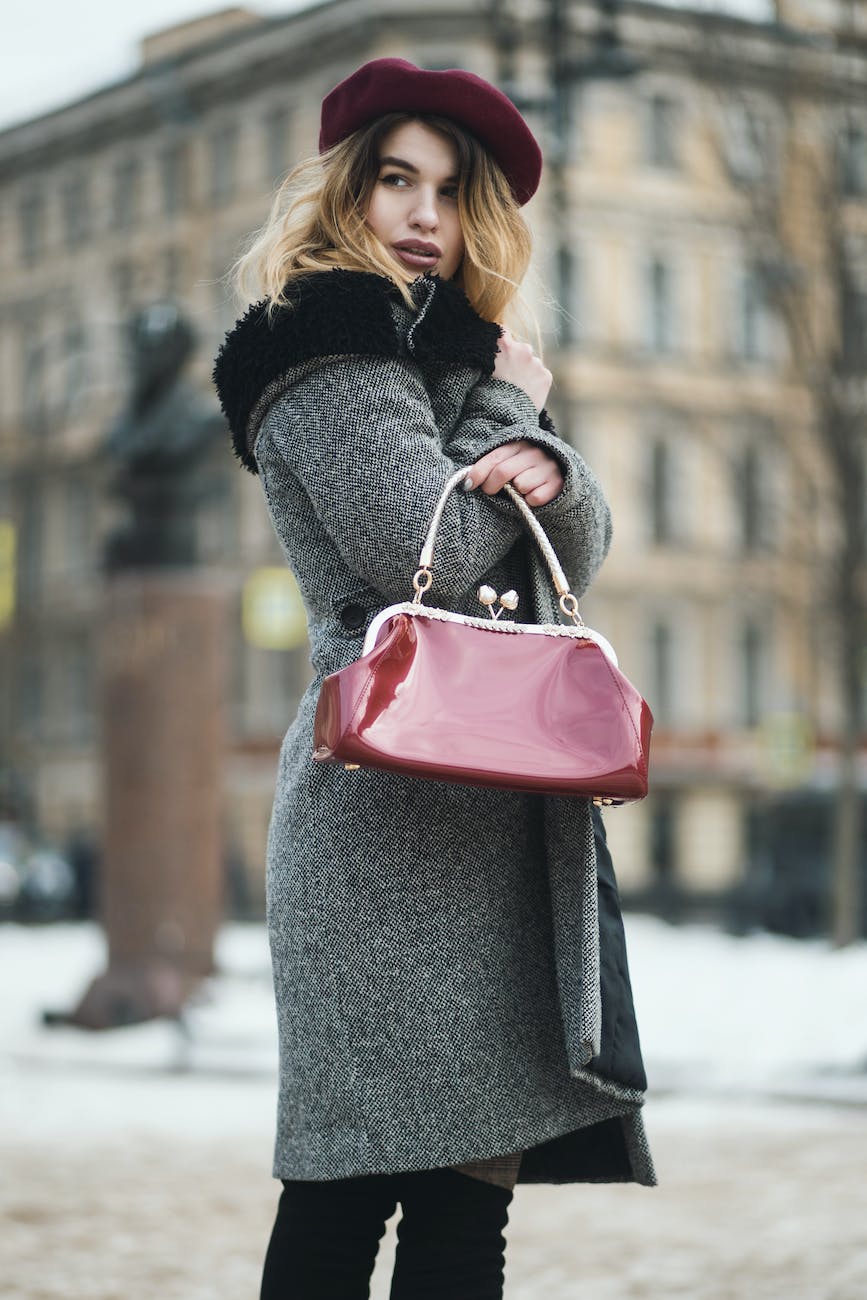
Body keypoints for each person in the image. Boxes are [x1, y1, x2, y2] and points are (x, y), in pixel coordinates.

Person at [214, 57, 655, 1300]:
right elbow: (445, 549)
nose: (425, 215)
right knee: (343, 1199)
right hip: (379, 827)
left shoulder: (442, 358)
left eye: (452, 192)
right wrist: (512, 410)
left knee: (469, 1218)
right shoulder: (325, 352)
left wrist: (551, 468)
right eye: (396, 180)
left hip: (496, 820)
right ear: (345, 193)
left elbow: (581, 542)